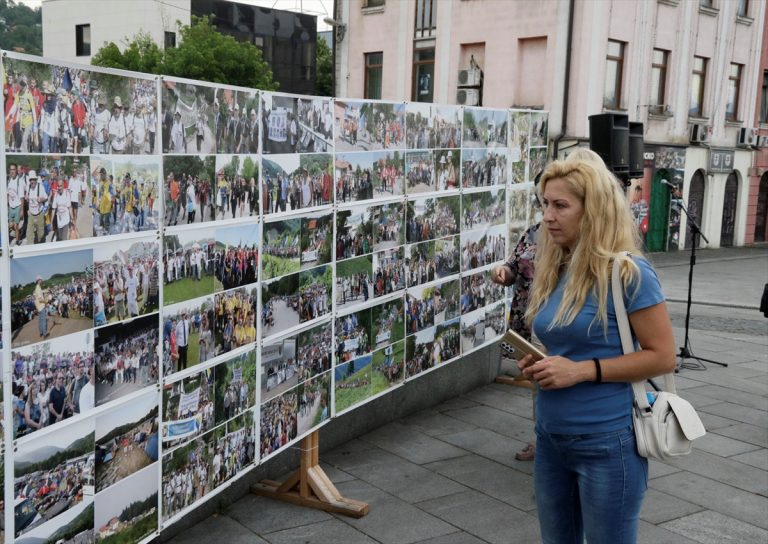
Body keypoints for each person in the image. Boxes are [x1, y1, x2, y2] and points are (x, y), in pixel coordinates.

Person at [517, 156, 676, 544]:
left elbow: (662, 356)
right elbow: (566, 343)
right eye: (544, 205)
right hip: (551, 439)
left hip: (607, 442)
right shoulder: (557, 266)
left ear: (594, 211)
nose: (548, 217)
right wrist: (540, 363)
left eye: (560, 205)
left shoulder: (628, 273)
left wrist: (580, 370)